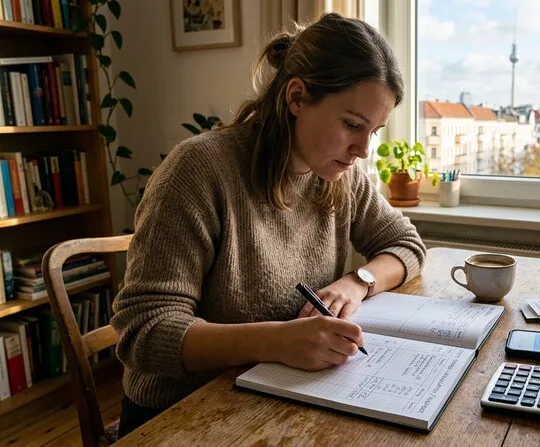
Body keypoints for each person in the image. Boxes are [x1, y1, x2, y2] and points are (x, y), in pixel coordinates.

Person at [110, 12, 427, 438]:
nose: (363, 150)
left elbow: (405, 243)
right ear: (297, 97)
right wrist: (278, 341)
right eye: (352, 124)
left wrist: (358, 281)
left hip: (278, 394)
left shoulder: (339, 174)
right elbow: (144, 332)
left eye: (375, 131)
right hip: (181, 413)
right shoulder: (200, 170)